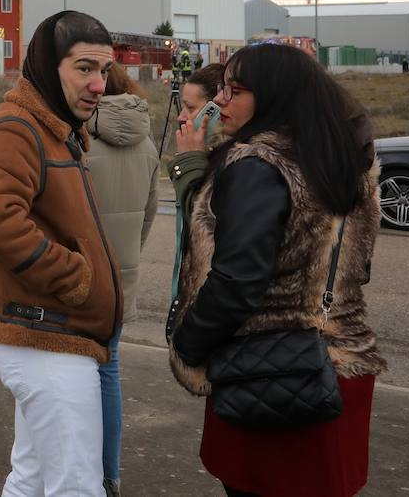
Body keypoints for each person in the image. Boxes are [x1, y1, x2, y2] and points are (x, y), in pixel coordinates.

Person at [169, 44, 384, 497]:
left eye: (236, 90)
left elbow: (237, 279)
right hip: (342, 364)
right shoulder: (346, 159)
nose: (221, 100)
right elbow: (356, 267)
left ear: (275, 97)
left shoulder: (257, 164)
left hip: (270, 374)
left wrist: (187, 345)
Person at [0, 10, 122, 495]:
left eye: (104, 70)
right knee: (76, 485)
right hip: (45, 335)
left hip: (52, 335)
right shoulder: (18, 127)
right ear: (47, 65)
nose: (98, 84)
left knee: (31, 478)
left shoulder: (57, 128)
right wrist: (76, 278)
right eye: (84, 68)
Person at [85, 63, 161, 497]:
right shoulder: (147, 141)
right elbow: (149, 214)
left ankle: (76, 470)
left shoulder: (77, 138)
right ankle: (109, 474)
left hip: (77, 274)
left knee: (70, 376)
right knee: (109, 371)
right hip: (121, 272)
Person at [167, 64, 226, 297]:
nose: (181, 116)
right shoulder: (208, 156)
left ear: (214, 110)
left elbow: (203, 223)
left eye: (190, 108)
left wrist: (190, 160)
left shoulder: (231, 163)